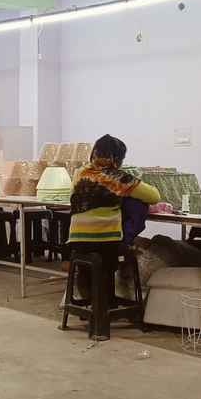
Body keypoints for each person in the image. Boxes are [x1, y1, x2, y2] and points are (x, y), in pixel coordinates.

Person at [67, 134, 161, 339]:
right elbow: (154, 196)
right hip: (105, 244)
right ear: (116, 158)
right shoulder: (118, 177)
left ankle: (96, 303)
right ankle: (103, 316)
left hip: (77, 243)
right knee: (138, 203)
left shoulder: (79, 173)